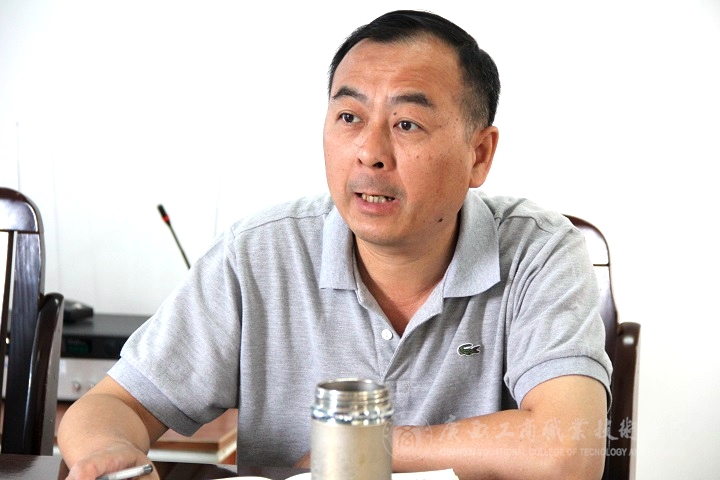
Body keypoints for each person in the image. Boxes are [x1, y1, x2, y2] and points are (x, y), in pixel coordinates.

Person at [58, 9, 612, 480]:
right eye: (349, 116)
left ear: (479, 154)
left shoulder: (539, 252)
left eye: (407, 124)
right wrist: (110, 455)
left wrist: (366, 448)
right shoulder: (260, 255)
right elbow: (111, 405)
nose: (370, 152)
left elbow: (571, 451)